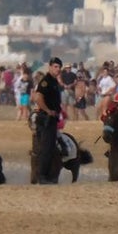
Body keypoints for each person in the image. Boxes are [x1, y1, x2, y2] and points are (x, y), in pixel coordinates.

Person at [34, 57, 64, 185]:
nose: (57, 69)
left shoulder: (54, 81)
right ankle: (42, 176)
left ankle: (48, 174)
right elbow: (38, 98)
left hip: (52, 118)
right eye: (55, 67)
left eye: (59, 67)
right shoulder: (46, 81)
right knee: (46, 148)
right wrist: (47, 110)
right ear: (50, 67)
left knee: (50, 147)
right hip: (46, 118)